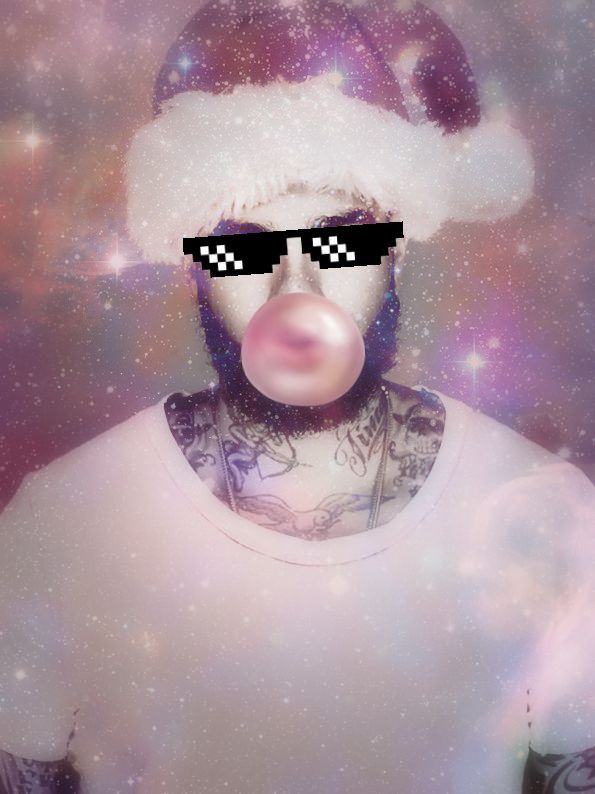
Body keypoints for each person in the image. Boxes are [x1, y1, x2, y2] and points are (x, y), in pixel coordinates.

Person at [1, 1, 594, 792]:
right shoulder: (59, 524)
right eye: (244, 248)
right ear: (195, 264)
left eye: (341, 239)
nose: (296, 290)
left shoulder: (546, 517)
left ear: (396, 249)